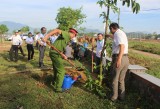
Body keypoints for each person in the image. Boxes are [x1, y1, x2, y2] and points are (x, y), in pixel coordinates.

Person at [42, 28, 78, 92]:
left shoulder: (67, 38)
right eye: (74, 35)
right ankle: (58, 88)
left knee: (56, 69)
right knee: (62, 71)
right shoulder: (67, 34)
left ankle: (55, 82)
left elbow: (59, 47)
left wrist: (63, 55)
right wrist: (46, 36)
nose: (74, 37)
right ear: (73, 34)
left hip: (56, 53)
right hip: (55, 54)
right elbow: (56, 30)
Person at [107, 23, 129, 102]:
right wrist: (109, 36)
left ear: (112, 28)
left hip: (119, 58)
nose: (111, 31)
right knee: (121, 79)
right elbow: (116, 39)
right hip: (126, 58)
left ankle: (114, 98)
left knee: (115, 79)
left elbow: (122, 46)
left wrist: (118, 59)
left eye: (110, 30)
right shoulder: (121, 33)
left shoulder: (117, 34)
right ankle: (122, 97)